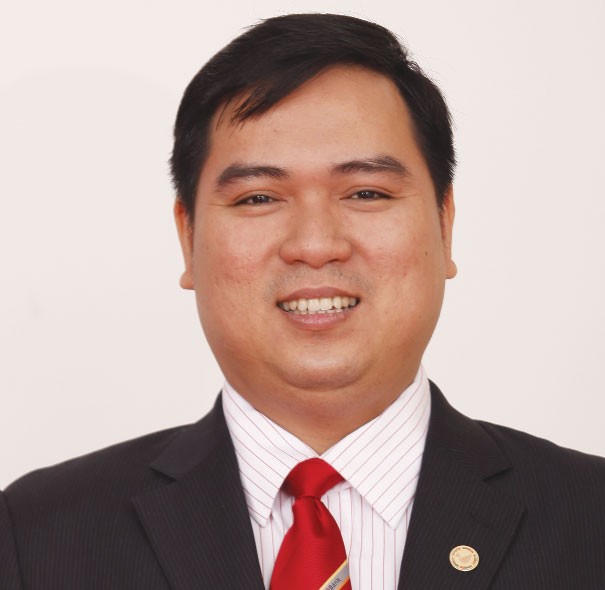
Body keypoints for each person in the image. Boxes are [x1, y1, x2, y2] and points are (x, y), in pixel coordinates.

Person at [1, 13, 604, 590]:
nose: (315, 245)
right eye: (259, 199)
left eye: (366, 192)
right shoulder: (35, 535)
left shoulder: (589, 519)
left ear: (444, 224)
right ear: (188, 238)